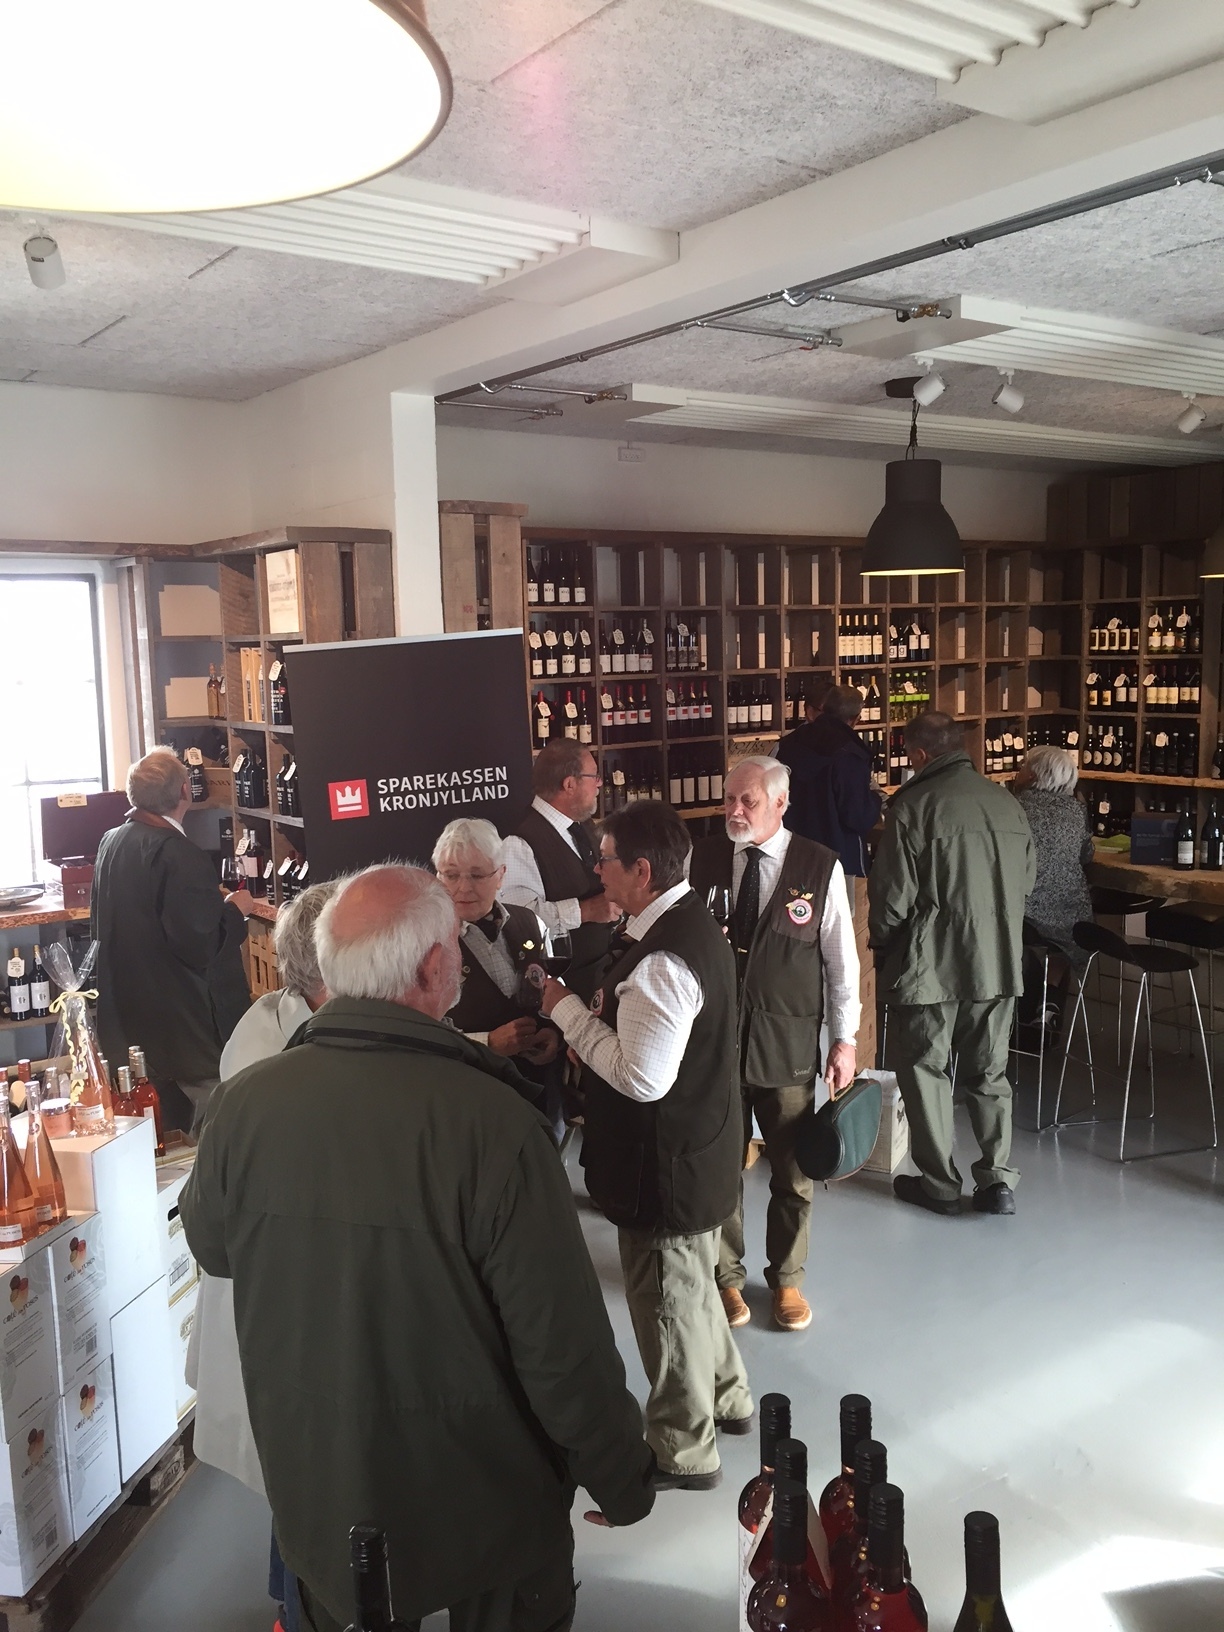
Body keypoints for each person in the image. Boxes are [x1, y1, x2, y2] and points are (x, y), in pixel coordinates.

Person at [181, 865, 654, 1632]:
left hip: (319, 1488)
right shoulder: (496, 1126)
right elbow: (562, 1348)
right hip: (485, 1503)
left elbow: (214, 1248)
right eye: (456, 952)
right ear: (435, 969)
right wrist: (621, 1477)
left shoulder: (242, 1106)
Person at [540, 802, 751, 1492]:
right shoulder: (691, 926)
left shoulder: (661, 961)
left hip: (663, 1168)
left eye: (604, 860)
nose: (596, 871)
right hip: (701, 1149)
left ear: (641, 870)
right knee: (694, 1288)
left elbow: (640, 1077)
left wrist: (565, 1013)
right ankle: (729, 1397)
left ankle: (684, 1450)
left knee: (666, 1303)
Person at [189, 880, 339, 1632]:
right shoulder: (284, 1058)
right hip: (291, 1306)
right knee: (309, 1472)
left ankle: (295, 1601)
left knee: (301, 1472)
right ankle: (298, 1610)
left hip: (283, 1303)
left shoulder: (273, 1022)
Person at [690, 756, 860, 1334]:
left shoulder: (818, 866)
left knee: (792, 1170)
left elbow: (841, 964)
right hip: (716, 1045)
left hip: (786, 1045)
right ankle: (726, 1279)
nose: (735, 811)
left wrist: (844, 1040)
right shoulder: (702, 859)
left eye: (749, 801)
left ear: (780, 804)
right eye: (729, 799)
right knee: (721, 1168)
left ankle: (787, 1278)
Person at [868, 712, 1035, 1218]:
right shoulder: (1007, 802)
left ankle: (939, 1184)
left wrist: (882, 945)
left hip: (930, 964)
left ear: (918, 754)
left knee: (925, 1069)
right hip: (997, 960)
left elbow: (892, 899)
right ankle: (998, 1180)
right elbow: (1027, 882)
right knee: (990, 1071)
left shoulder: (912, 807)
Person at [91, 748, 253, 1130]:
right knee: (216, 1129)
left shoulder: (111, 842)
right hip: (185, 1028)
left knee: (156, 1132)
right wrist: (235, 911)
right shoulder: (180, 854)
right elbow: (200, 945)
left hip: (133, 1019)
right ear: (185, 790)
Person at [432, 817, 562, 1131]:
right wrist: (487, 1043)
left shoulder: (531, 922)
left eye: (477, 875)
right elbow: (418, 1036)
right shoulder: (424, 943)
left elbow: (553, 989)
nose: (463, 887)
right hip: (470, 1108)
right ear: (437, 877)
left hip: (540, 1099)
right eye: (451, 875)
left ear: (501, 875)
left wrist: (553, 1032)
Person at [501, 741, 621, 1002]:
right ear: (569, 784)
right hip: (564, 990)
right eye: (594, 776)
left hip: (603, 976)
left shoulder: (582, 825)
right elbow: (520, 921)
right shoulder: (519, 843)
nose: (600, 784)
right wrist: (585, 911)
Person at [775, 685, 883, 885]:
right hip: (839, 855)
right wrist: (875, 800)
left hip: (793, 849)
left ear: (824, 708)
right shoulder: (850, 754)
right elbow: (857, 817)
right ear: (856, 719)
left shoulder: (789, 743)